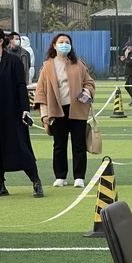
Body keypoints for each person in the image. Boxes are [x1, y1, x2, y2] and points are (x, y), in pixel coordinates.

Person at [0, 27, 44, 198]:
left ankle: (36, 182)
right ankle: (0, 184)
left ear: (1, 41)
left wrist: (25, 109)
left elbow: (20, 86)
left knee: (20, 147)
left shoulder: (13, 61)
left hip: (11, 112)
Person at [35, 33, 96, 189]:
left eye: (67, 42)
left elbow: (89, 82)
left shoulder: (78, 64)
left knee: (79, 144)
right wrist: (44, 113)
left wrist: (87, 92)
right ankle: (60, 176)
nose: (64, 45)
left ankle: (79, 176)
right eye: (61, 42)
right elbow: (41, 91)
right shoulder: (47, 66)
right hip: (57, 109)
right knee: (59, 144)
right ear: (54, 45)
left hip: (78, 108)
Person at [120, 41, 132, 106]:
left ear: (130, 46)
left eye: (127, 48)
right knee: (127, 87)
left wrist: (124, 60)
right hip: (130, 73)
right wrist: (126, 59)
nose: (127, 49)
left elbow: (130, 63)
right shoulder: (131, 53)